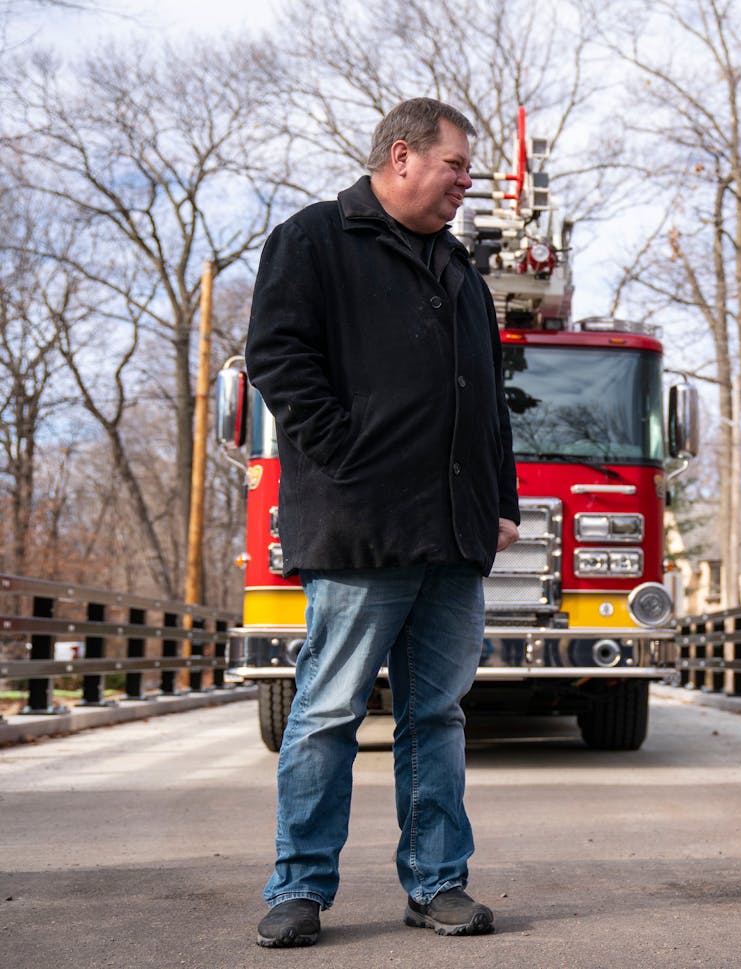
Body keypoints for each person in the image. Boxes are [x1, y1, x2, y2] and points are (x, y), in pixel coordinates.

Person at [246, 97, 520, 948]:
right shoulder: (315, 239)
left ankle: (437, 881)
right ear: (402, 156)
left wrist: (500, 499)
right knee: (328, 710)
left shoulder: (461, 268)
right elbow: (277, 357)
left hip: (454, 532)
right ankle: (299, 886)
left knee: (435, 715)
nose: (466, 185)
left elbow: (487, 397)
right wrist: (346, 453)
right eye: (456, 167)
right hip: (363, 524)